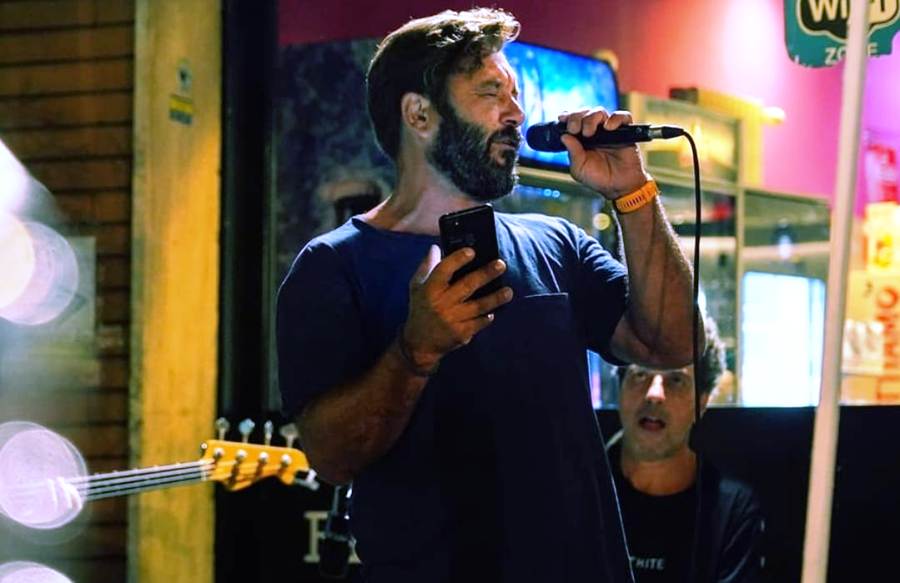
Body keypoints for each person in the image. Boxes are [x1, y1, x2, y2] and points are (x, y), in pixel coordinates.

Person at [276, 8, 698, 582]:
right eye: (491, 92)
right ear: (419, 114)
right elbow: (331, 458)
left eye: (516, 94)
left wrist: (633, 193)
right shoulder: (332, 266)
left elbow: (671, 343)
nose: (516, 113)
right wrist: (414, 352)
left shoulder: (556, 244)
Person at [608, 319, 765, 582]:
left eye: (676, 380)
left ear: (702, 402)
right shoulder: (580, 491)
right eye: (640, 374)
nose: (654, 394)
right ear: (620, 389)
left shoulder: (730, 511)